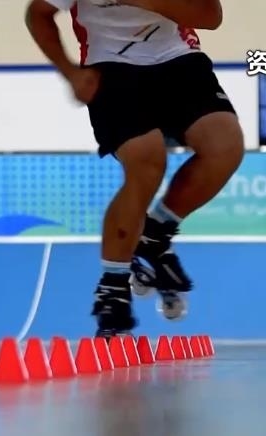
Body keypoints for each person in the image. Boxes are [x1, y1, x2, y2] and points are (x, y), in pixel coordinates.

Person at [25, 0, 245, 337]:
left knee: (225, 146)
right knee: (146, 162)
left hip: (178, 59)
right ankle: (113, 286)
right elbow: (38, 13)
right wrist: (70, 72)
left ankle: (155, 234)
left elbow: (211, 16)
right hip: (111, 68)